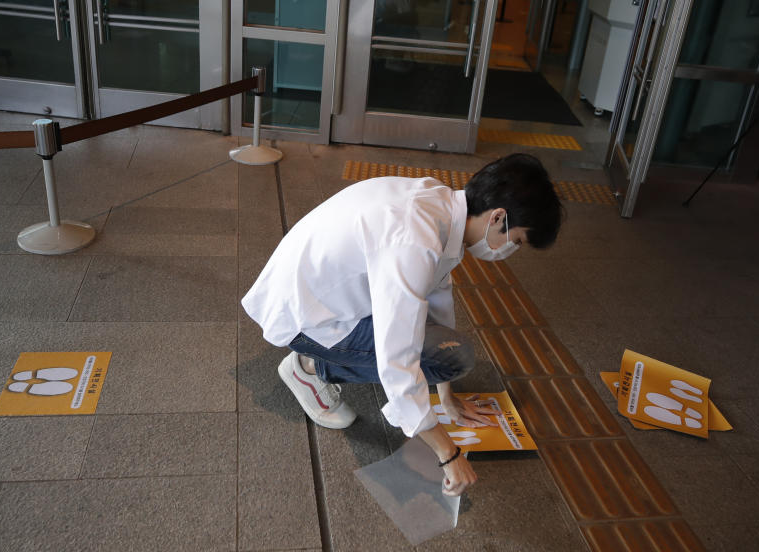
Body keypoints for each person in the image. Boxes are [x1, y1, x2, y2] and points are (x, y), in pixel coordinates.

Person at [241, 153, 563, 496]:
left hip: (313, 293)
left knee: (449, 354)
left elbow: (436, 305)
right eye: (516, 241)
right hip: (304, 317)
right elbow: (397, 356)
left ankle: (324, 359)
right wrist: (447, 453)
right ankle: (311, 367)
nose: (509, 251)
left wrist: (447, 395)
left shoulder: (437, 203)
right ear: (498, 217)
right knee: (439, 357)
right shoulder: (417, 237)